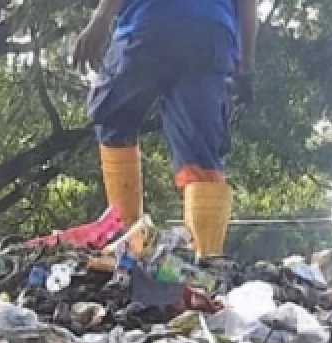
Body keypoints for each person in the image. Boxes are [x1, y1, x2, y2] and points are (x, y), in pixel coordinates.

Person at [73, 0, 259, 258]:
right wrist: (246, 69)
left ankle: (127, 238)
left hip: (150, 23)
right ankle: (205, 261)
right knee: (201, 155)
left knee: (112, 115)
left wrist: (102, 17)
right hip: (209, 36)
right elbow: (247, 5)